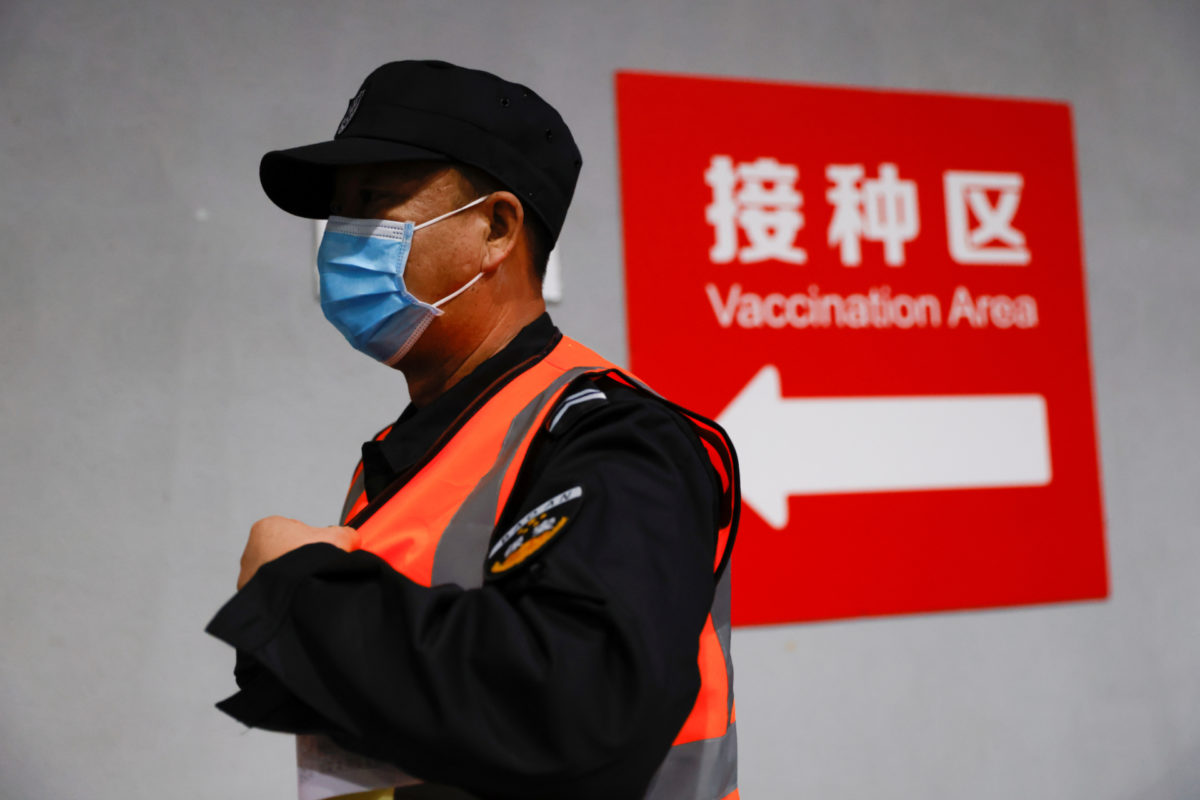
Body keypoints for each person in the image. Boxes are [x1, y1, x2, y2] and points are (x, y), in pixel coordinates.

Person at [206, 60, 740, 800]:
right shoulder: (411, 451)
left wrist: (302, 593)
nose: (340, 236)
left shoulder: (613, 440)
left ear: (496, 229)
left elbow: (581, 707)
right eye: (340, 210)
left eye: (375, 201)